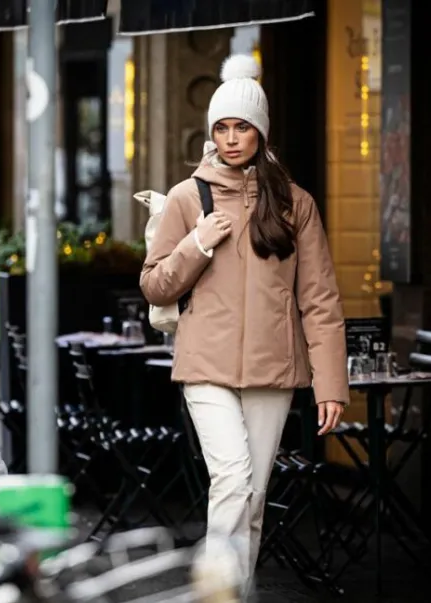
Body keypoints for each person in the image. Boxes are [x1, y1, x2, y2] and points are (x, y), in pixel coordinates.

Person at [139, 54, 349, 593]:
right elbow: (155, 285)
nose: (232, 138)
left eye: (243, 127)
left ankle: (237, 589)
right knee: (232, 478)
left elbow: (319, 298)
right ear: (211, 133)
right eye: (222, 128)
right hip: (205, 365)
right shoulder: (188, 197)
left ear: (260, 132)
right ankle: (216, 594)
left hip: (273, 370)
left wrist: (331, 384)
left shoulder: (294, 203)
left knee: (253, 495)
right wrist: (197, 242)